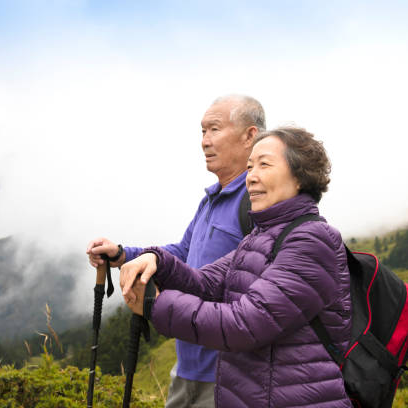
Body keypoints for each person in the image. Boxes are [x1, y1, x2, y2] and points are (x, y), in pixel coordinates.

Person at [121, 127, 353, 408]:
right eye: (249, 166)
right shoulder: (260, 236)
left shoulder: (313, 240)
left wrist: (155, 307)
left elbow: (243, 325)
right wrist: (158, 261)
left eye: (264, 165)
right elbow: (204, 284)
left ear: (300, 176)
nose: (251, 177)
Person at [86, 95, 266, 407]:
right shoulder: (212, 199)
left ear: (250, 135)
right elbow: (183, 252)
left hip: (230, 374)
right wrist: (121, 254)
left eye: (214, 129)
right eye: (202, 132)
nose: (204, 142)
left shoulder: (258, 203)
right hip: (187, 367)